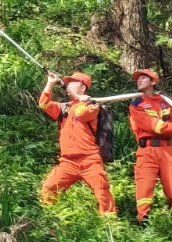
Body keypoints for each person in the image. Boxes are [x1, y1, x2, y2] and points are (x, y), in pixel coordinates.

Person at [38, 71, 116, 215]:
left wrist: (83, 100)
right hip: (68, 162)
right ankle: (47, 221)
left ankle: (111, 226)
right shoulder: (64, 107)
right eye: (68, 82)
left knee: (102, 193)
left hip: (89, 160)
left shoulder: (92, 105)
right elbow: (44, 104)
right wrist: (50, 83)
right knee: (48, 190)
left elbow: (82, 114)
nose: (68, 85)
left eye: (73, 82)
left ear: (82, 86)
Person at [127, 68, 172, 222]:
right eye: (138, 79)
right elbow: (150, 124)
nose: (139, 81)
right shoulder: (136, 104)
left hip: (166, 149)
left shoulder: (165, 103)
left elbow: (171, 122)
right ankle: (143, 218)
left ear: (153, 82)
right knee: (145, 183)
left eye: (143, 78)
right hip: (147, 150)